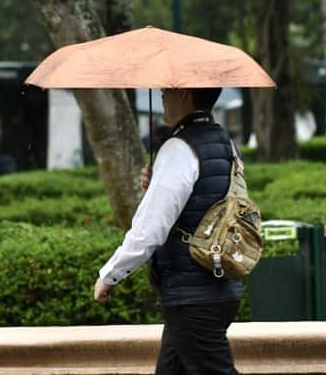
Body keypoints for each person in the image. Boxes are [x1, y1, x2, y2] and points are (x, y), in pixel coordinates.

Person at [94, 87, 242, 374]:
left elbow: (150, 229)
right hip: (220, 285)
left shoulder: (179, 147)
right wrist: (158, 184)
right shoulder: (225, 142)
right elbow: (208, 203)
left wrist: (110, 274)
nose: (161, 97)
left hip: (192, 294)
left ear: (184, 94)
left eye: (166, 92)